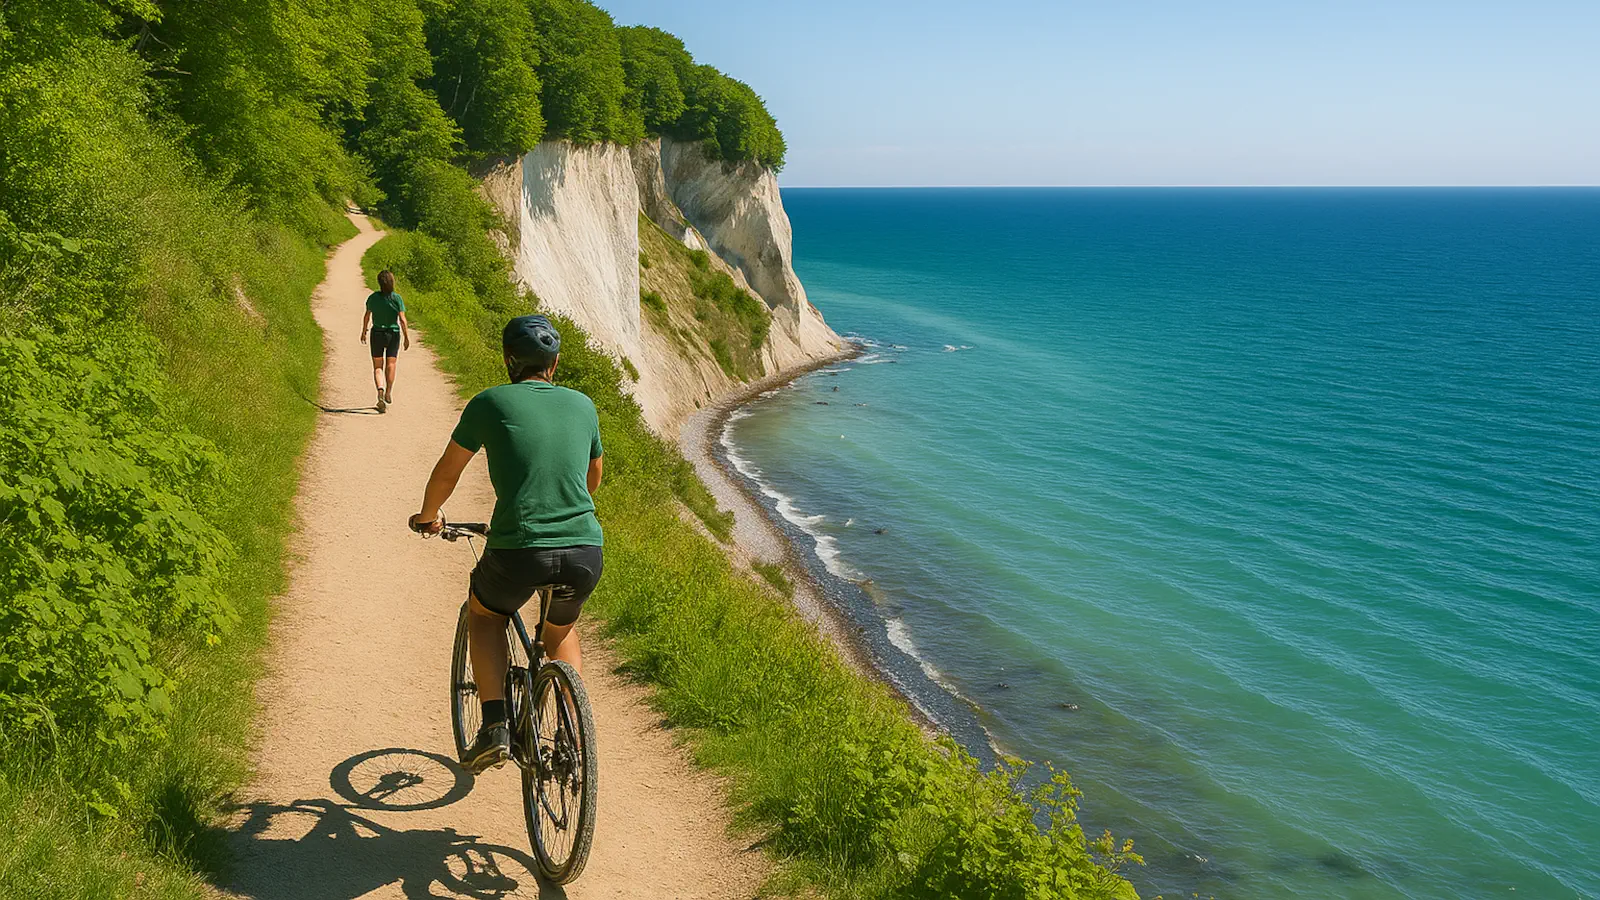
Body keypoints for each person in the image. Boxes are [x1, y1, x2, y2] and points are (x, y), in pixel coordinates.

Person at [409, 315, 605, 774]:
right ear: (555, 364)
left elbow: (448, 471)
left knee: (485, 612)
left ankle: (494, 726)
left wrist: (427, 516)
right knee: (559, 631)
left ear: (508, 361)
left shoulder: (489, 402)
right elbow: (593, 478)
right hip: (584, 550)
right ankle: (572, 737)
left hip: (519, 550)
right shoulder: (584, 405)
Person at [361, 270, 410, 412]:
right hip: (393, 334)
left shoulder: (373, 298)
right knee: (391, 363)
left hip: (376, 333)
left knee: (377, 366)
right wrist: (406, 337)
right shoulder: (396, 299)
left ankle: (380, 392)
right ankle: (389, 391)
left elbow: (367, 316)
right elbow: (402, 319)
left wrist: (364, 331)